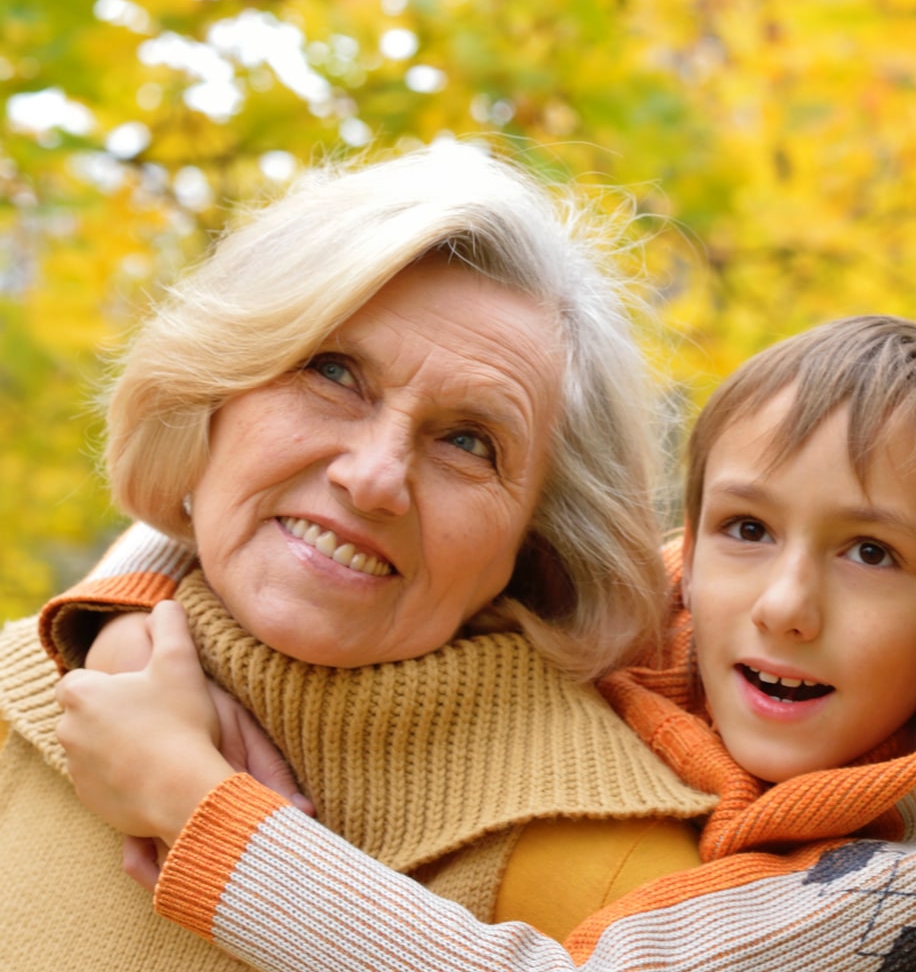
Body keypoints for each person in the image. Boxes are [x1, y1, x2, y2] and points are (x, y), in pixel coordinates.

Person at [56, 315, 916, 969]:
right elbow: (268, 517)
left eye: (871, 553)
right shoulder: (672, 604)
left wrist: (200, 806)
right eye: (746, 528)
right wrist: (123, 625)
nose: (786, 604)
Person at [0, 142, 719, 969]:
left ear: (538, 541)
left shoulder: (614, 864)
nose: (374, 478)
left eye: (467, 442)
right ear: (215, 391)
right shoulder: (38, 686)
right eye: (334, 372)